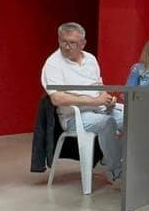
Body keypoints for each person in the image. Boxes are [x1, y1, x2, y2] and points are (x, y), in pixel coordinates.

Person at [41, 22, 122, 185]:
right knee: (107, 122)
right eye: (63, 41)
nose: (67, 46)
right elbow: (57, 98)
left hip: (100, 108)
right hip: (75, 116)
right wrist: (94, 101)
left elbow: (99, 86)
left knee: (134, 119)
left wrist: (106, 98)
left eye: (72, 43)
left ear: (83, 43)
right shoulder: (53, 64)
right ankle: (116, 171)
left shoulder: (90, 59)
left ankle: (114, 159)